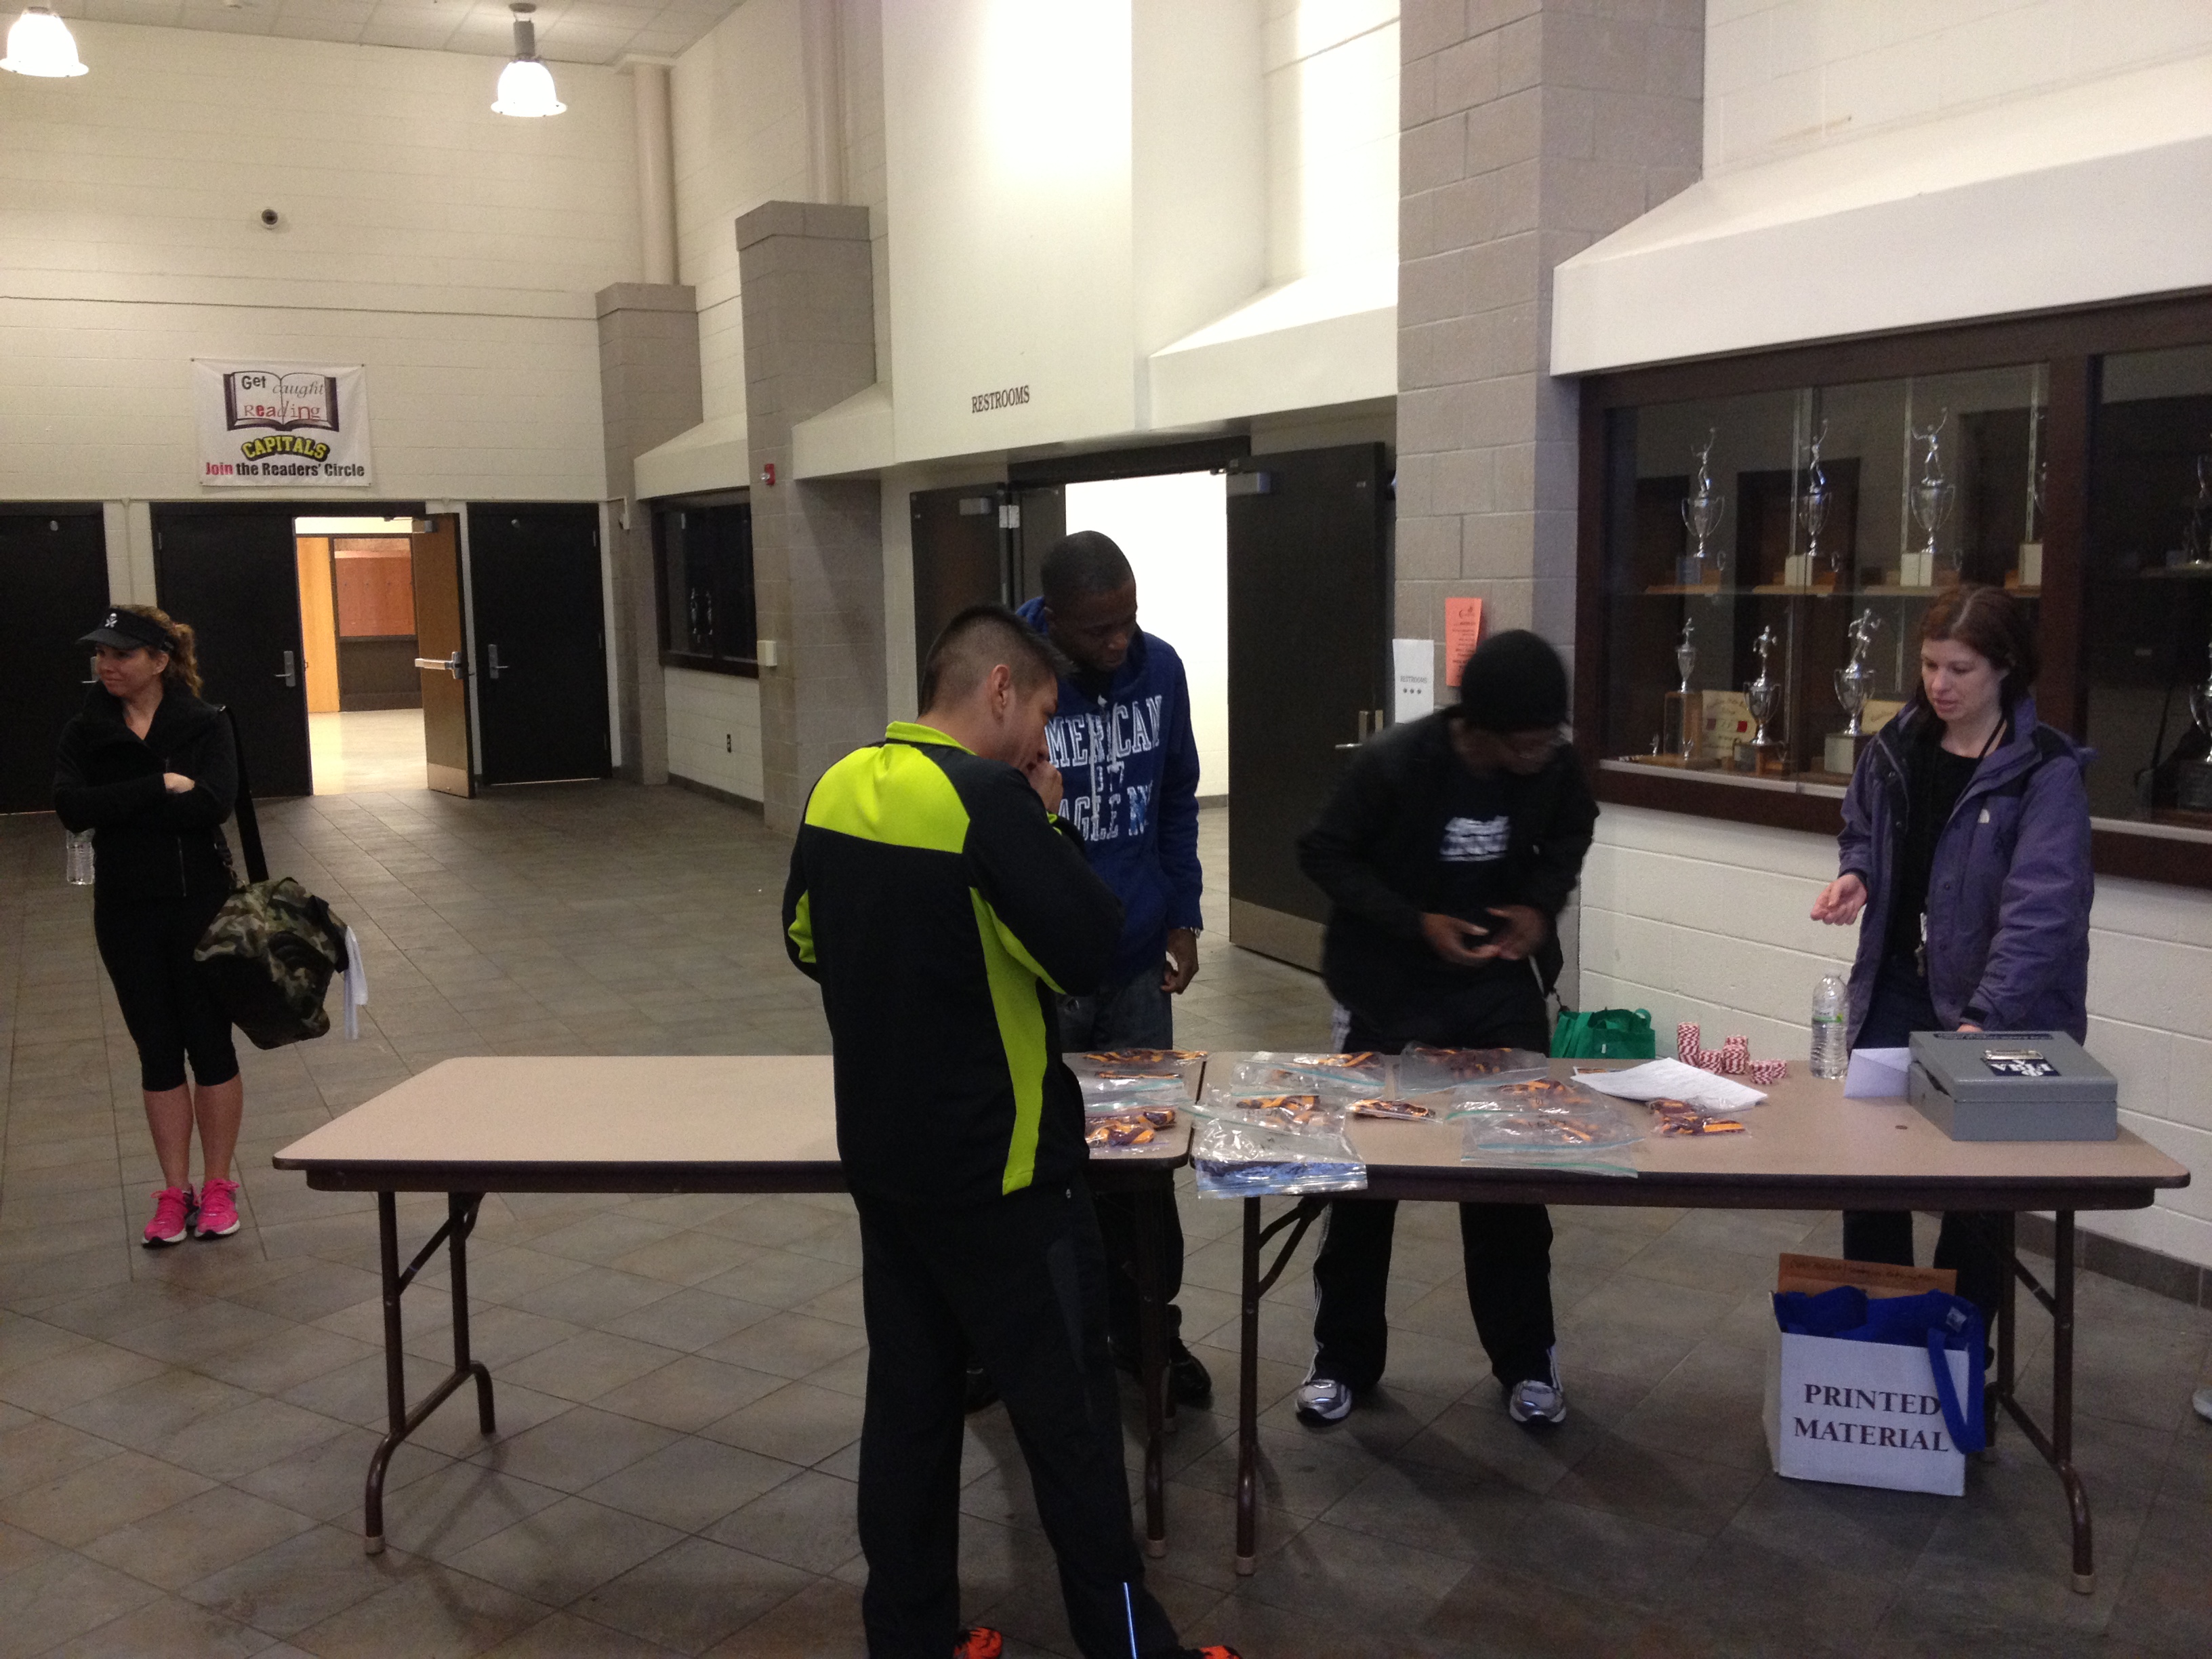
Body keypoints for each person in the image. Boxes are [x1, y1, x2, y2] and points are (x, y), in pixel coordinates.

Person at [782, 605, 1237, 1659]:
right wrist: (1047, 820)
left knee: (910, 1414)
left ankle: (910, 1640)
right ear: (998, 689)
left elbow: (806, 940)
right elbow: (1088, 948)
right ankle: (1131, 1650)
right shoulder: (988, 802)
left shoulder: (838, 785)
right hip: (1009, 1179)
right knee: (1071, 1433)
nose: (1044, 740)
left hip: (889, 1172)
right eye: (1040, 713)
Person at [1292, 630, 1597, 1429]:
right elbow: (1322, 852)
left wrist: (1540, 905)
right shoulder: (1396, 765)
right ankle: (1341, 1360)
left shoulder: (1553, 766)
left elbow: (1574, 827)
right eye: (1526, 743)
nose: (1541, 754)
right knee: (1366, 1182)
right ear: (1479, 729)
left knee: (1508, 1178)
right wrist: (1413, 921)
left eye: (1550, 739)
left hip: (1496, 990)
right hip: (1388, 988)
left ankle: (1527, 1363)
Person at [1812, 584, 2091, 1326]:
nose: (1940, 684)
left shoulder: (2044, 770)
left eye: (1960, 669)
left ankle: (1958, 1351)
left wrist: (1983, 1020)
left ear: (2005, 668)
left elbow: (2043, 913)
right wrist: (1858, 873)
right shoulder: (1896, 747)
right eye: (1931, 665)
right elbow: (1861, 828)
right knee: (1871, 1174)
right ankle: (1882, 1343)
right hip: (1898, 983)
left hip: (1997, 1003)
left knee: (1976, 1192)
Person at [1015, 531, 1210, 1406]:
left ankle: (1149, 1332)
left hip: (1134, 968)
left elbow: (1175, 799)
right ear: (1053, 619)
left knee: (1143, 1162)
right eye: (1099, 629)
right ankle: (1035, 1342)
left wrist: (1182, 913)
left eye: (1128, 620)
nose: (1119, 641)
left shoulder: (1159, 671)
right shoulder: (1013, 679)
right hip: (1045, 972)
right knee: (1046, 1166)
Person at [54, 605, 245, 1247]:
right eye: (101, 654)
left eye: (122, 654)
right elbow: (70, 808)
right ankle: (174, 1191)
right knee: (157, 1050)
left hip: (199, 907)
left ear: (160, 661)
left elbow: (213, 804)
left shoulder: (206, 723)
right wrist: (158, 786)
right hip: (125, 913)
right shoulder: (87, 730)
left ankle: (217, 1187)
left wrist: (120, 807)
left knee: (210, 1045)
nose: (106, 665)